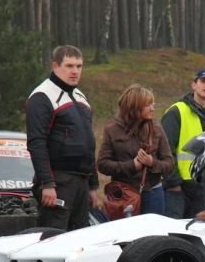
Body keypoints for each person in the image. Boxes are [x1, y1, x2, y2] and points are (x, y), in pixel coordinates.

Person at [26, 45, 99, 231]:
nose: (75, 71)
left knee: (80, 240)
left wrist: (93, 185)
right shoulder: (42, 96)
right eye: (69, 65)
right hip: (58, 181)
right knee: (54, 239)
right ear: (55, 66)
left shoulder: (80, 96)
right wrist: (47, 184)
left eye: (79, 66)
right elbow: (37, 143)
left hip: (81, 182)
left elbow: (89, 144)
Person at [97, 84, 174, 215]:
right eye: (148, 105)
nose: (152, 108)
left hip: (153, 193)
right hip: (123, 194)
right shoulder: (112, 130)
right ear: (135, 107)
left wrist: (152, 163)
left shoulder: (156, 129)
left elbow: (169, 163)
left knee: (153, 235)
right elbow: (102, 165)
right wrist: (131, 165)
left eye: (153, 104)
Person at [162, 68, 205, 218]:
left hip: (202, 188)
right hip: (178, 188)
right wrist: (174, 183)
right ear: (194, 85)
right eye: (203, 81)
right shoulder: (176, 112)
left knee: (200, 232)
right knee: (174, 233)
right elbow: (164, 150)